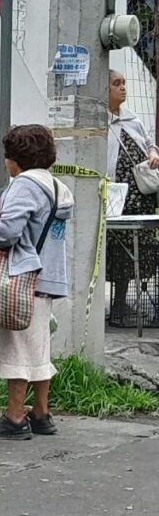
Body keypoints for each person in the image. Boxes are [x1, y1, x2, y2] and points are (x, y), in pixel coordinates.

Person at [0, 125, 74, 441]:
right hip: (48, 277)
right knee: (37, 347)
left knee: (16, 348)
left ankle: (15, 417)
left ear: (17, 158)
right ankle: (41, 413)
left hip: (22, 278)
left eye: (8, 157)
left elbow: (7, 234)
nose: (6, 163)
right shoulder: (56, 187)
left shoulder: (24, 185)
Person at [106, 70, 159, 325]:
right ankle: (117, 306)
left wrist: (152, 154)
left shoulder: (133, 120)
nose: (123, 88)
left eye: (124, 83)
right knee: (118, 250)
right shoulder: (99, 122)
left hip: (140, 197)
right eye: (117, 84)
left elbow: (150, 143)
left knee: (140, 248)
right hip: (118, 198)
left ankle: (125, 302)